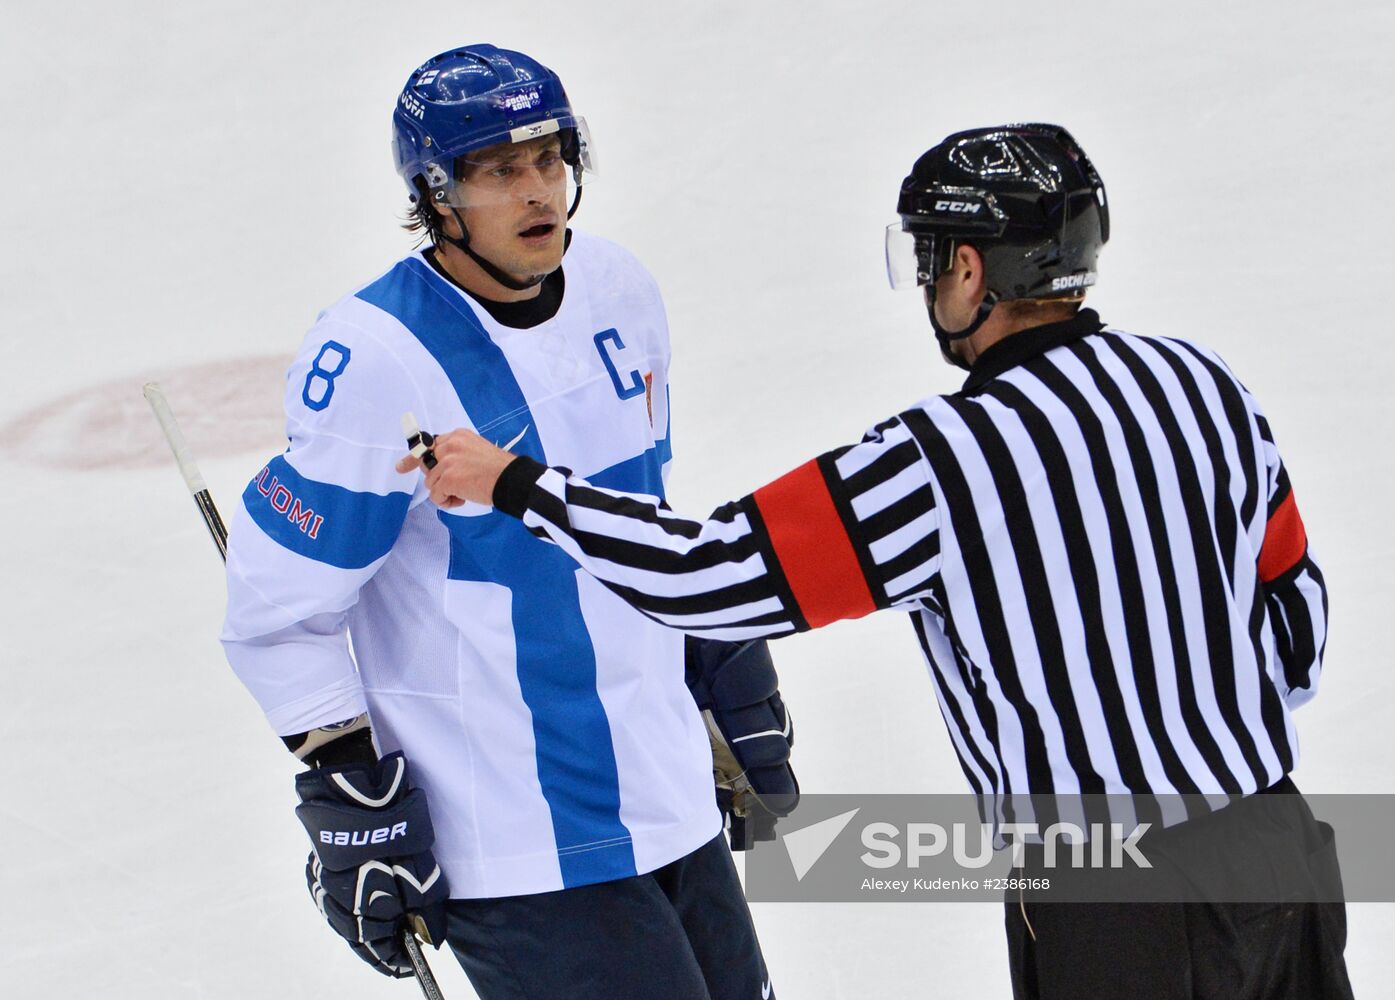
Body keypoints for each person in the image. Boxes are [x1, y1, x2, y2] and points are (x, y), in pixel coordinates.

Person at [402, 123, 1353, 999]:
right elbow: (1296, 628)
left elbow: (710, 575)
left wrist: (519, 484)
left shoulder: (936, 461)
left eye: (933, 260)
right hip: (1278, 846)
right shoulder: (1202, 385)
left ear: (971, 270)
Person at [220, 44, 793, 1000]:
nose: (539, 193)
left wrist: (713, 661)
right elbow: (276, 614)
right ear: (437, 194)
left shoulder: (619, 287)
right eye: (499, 171)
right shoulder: (374, 359)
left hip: (670, 794)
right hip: (516, 842)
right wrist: (344, 783)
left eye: (550, 159)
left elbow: (636, 509)